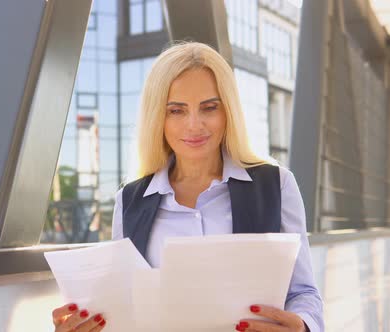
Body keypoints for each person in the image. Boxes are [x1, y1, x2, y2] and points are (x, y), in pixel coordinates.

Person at [52, 42, 324, 332]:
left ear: (227, 111)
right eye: (176, 111)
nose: (194, 125)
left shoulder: (276, 186)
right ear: (159, 117)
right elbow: (127, 308)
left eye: (209, 107)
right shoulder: (130, 200)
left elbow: (304, 293)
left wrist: (302, 327)